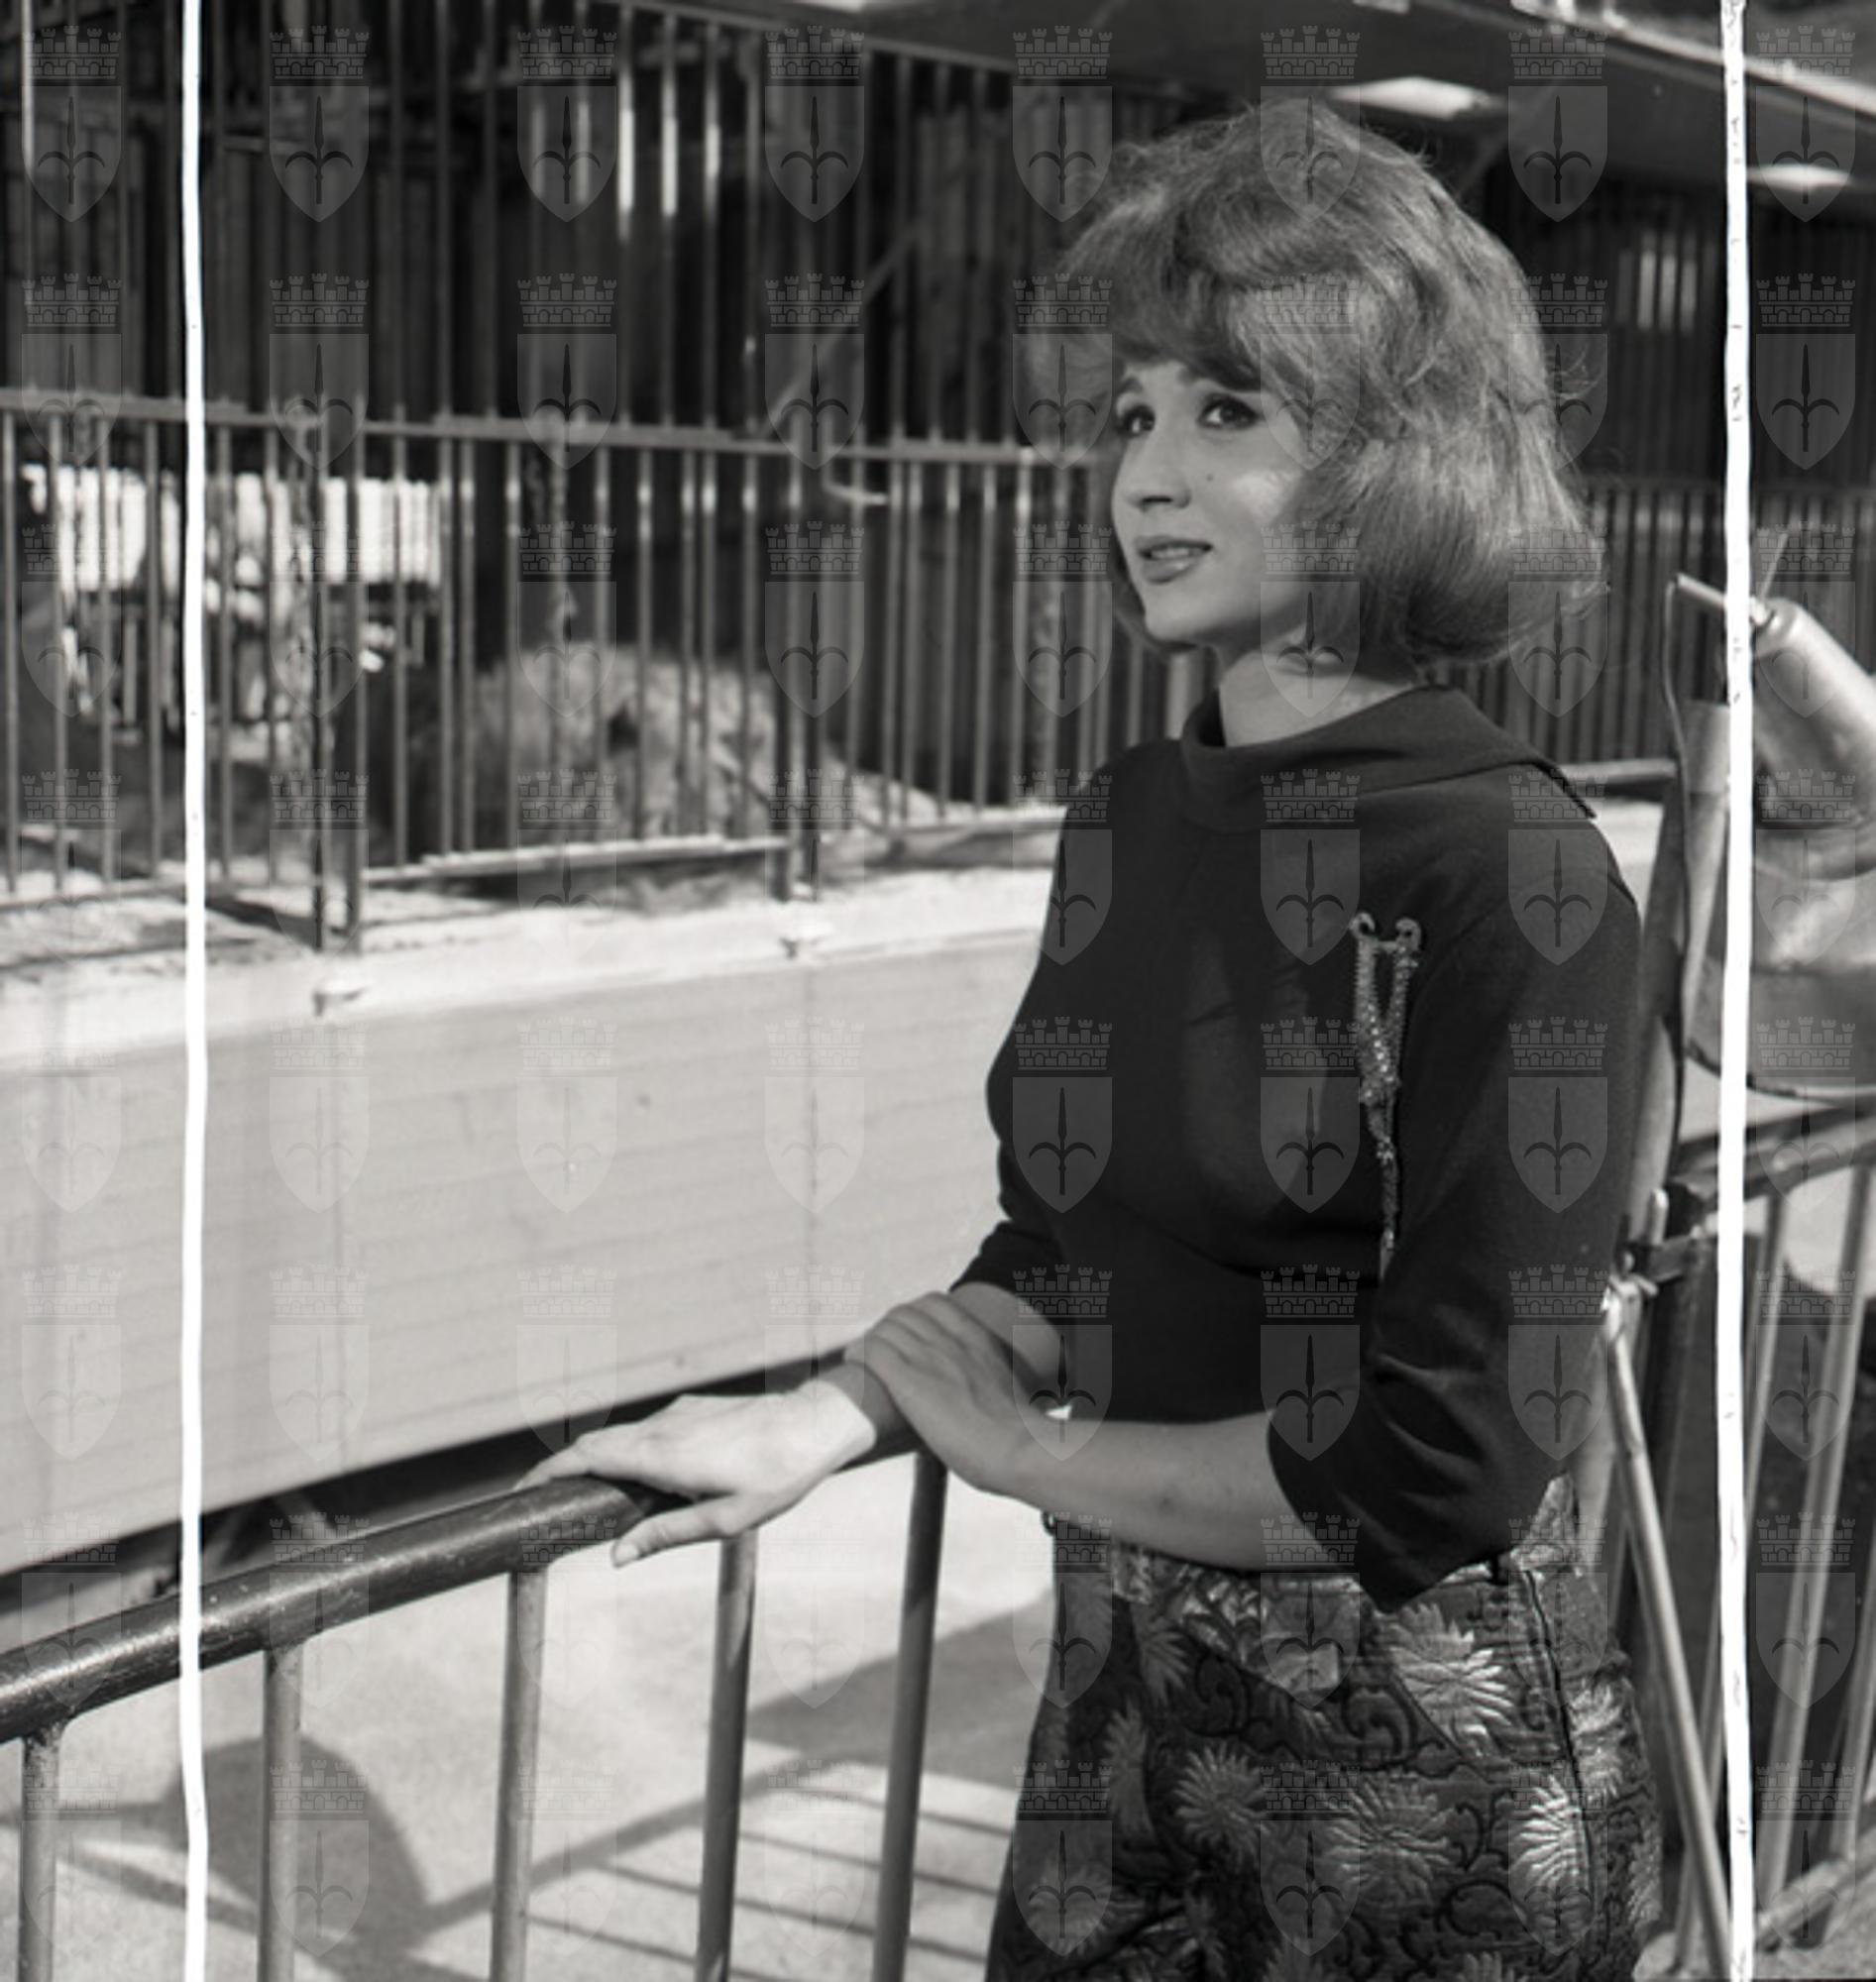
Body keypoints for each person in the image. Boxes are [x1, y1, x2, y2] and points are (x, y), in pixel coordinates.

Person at [519, 96, 1665, 1982]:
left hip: (1424, 1769)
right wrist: (827, 1415)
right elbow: (1067, 1250)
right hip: (1118, 1721)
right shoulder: (1129, 815)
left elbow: (1448, 1455)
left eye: (1228, 411)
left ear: (1397, 456)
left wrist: (1028, 1459)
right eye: (1132, 413)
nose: (1146, 472)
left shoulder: (1510, 871)